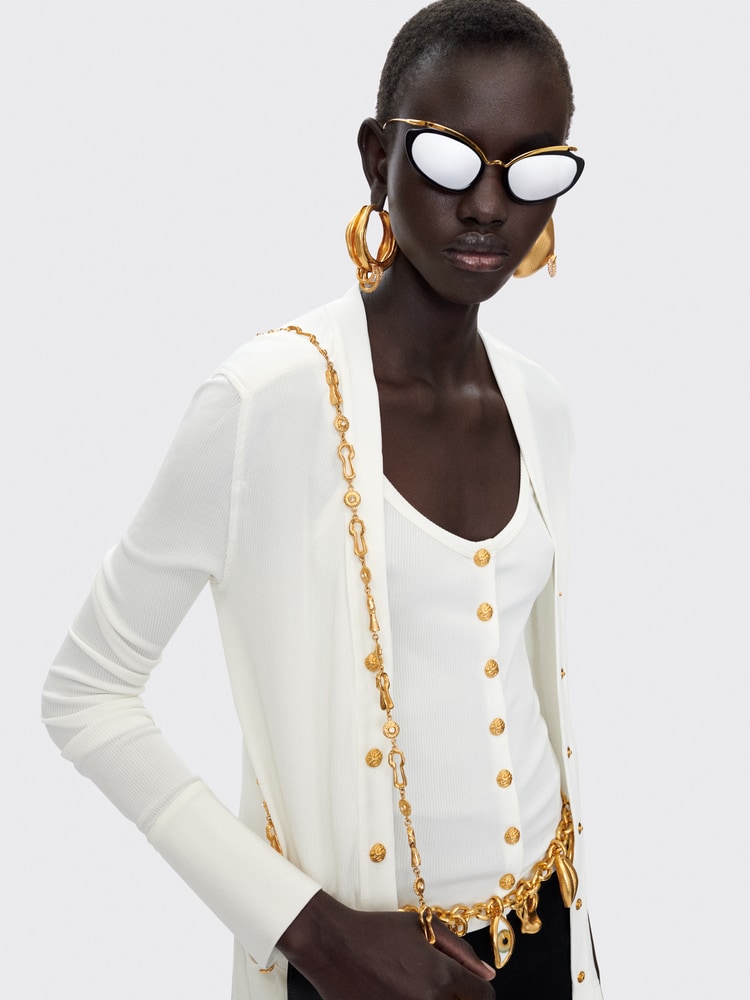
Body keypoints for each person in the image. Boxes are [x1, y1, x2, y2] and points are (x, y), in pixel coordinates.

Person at [42, 1, 602, 997]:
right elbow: (85, 693)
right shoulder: (265, 402)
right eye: (451, 160)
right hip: (361, 966)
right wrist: (310, 928)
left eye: (532, 170)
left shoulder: (542, 405)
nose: (489, 205)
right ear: (377, 157)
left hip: (548, 929)